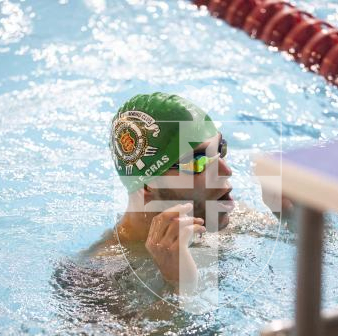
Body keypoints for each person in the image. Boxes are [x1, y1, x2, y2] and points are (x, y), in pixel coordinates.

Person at [84, 92, 293, 291]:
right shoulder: (98, 274)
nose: (226, 170)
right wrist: (177, 286)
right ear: (147, 185)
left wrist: (291, 215)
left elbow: (315, 247)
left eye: (221, 150)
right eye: (198, 161)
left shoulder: (217, 212)